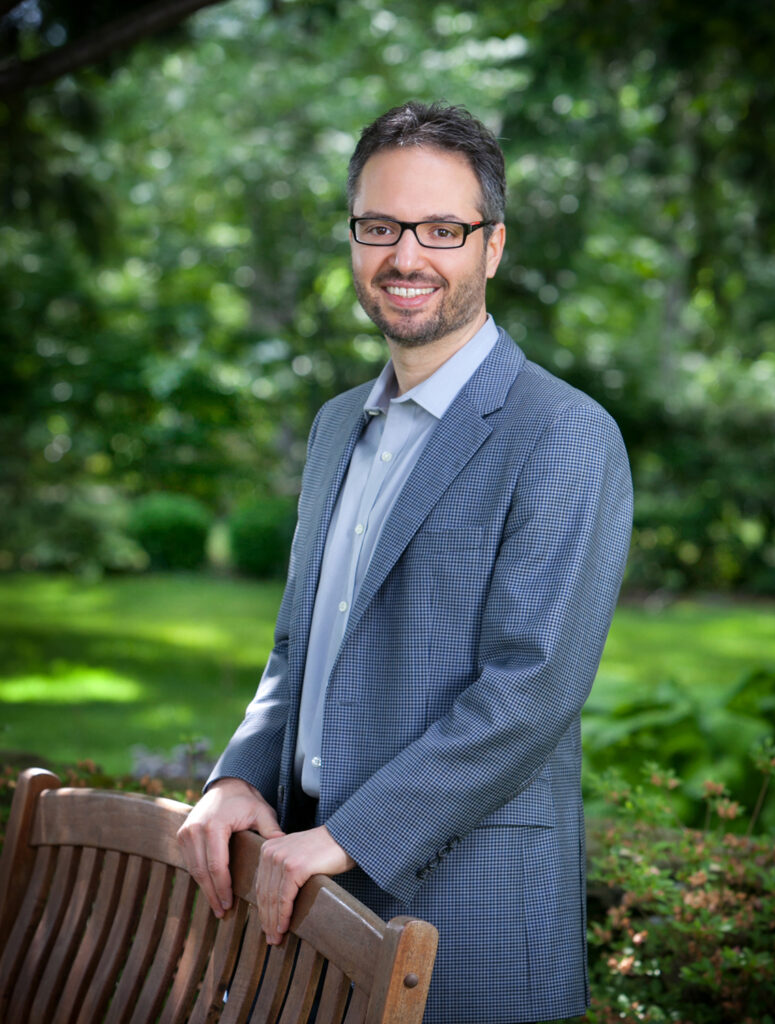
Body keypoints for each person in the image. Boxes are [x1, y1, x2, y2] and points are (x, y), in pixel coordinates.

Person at [178, 101, 633, 1024]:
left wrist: (348, 837)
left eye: (441, 229)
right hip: (306, 897)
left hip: (467, 915)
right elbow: (294, 651)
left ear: (492, 246)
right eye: (380, 226)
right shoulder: (337, 426)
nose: (406, 256)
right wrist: (235, 775)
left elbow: (531, 688)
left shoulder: (564, 434)